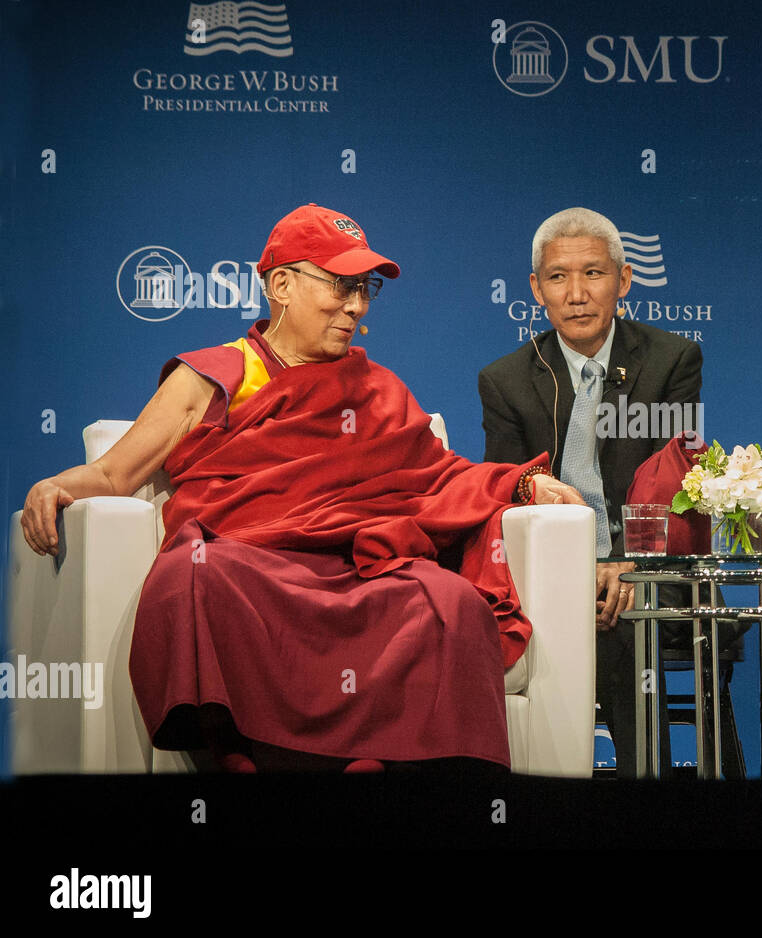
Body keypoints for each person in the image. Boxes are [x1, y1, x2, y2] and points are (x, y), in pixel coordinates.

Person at [20, 203, 584, 773]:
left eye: (364, 289)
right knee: (196, 572)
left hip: (355, 565)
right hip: (253, 562)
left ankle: (388, 762)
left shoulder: (377, 388)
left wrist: (523, 482)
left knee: (451, 601)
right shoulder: (214, 375)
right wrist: (55, 485)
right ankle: (260, 755)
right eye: (340, 285)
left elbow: (435, 476)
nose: (357, 306)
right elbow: (115, 475)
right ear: (282, 284)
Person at [477, 207, 704, 776]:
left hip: (649, 568)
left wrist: (624, 562)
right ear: (536, 289)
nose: (576, 294)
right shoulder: (504, 381)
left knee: (623, 620)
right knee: (557, 615)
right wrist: (571, 571)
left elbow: (672, 476)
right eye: (558, 277)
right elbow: (506, 497)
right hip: (548, 576)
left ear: (623, 280)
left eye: (593, 274)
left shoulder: (671, 360)